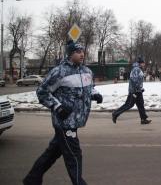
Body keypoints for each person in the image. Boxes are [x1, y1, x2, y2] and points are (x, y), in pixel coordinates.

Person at [23, 40, 103, 185]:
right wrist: (57, 107)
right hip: (64, 122)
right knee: (74, 155)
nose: (82, 54)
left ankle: (32, 179)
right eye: (78, 52)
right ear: (70, 54)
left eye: (82, 51)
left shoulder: (86, 71)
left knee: (53, 152)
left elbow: (89, 88)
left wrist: (95, 94)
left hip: (76, 120)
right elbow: (42, 92)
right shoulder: (59, 72)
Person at [112, 57, 151, 124]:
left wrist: (140, 89)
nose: (144, 64)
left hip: (138, 91)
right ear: (141, 63)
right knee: (129, 104)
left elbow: (138, 80)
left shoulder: (138, 69)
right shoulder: (136, 69)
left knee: (141, 104)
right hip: (134, 91)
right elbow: (134, 80)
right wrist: (137, 89)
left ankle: (143, 119)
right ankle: (115, 113)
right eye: (143, 63)